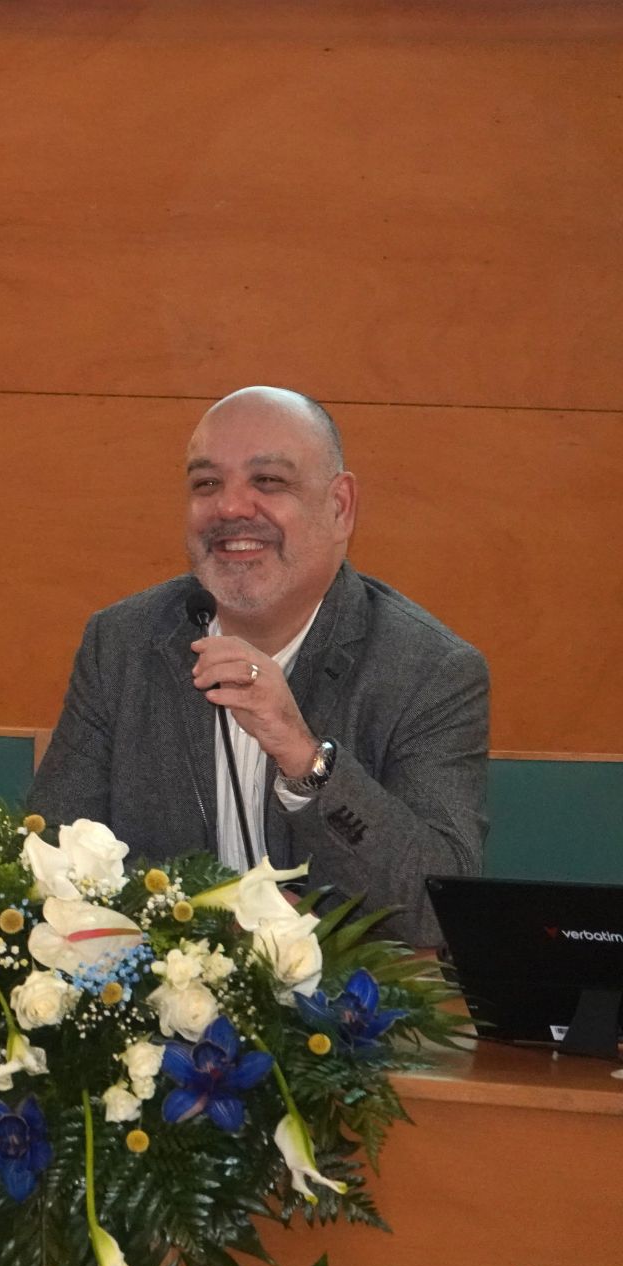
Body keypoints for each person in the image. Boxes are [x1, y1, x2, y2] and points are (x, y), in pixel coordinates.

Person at [27, 386, 486, 946]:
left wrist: (304, 758)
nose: (230, 508)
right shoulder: (122, 644)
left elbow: (439, 911)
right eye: (206, 484)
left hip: (344, 999)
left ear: (339, 507)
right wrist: (200, 926)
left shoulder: (429, 671)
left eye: (268, 481)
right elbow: (52, 858)